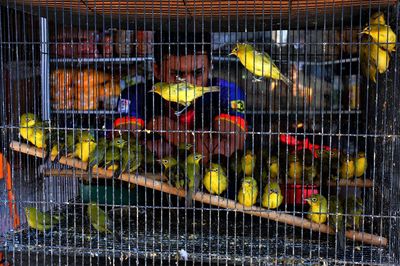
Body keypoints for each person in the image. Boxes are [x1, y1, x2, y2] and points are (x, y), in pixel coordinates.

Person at [113, 32, 247, 163]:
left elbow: (229, 153)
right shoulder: (135, 95)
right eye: (177, 75)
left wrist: (164, 126)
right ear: (157, 71)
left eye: (198, 73)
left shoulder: (227, 92)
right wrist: (204, 141)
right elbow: (122, 152)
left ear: (210, 66)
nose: (188, 83)